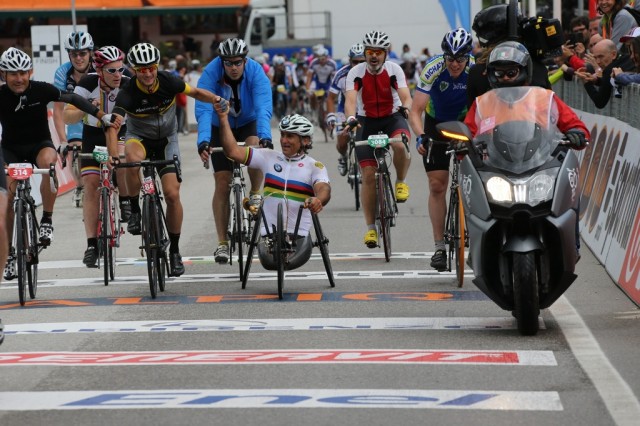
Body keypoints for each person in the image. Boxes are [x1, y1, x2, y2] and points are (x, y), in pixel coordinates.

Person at [0, 47, 118, 280]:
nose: (19, 78)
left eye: (23, 72)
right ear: (3, 75)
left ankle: (46, 219)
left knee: (49, 164)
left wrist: (100, 114)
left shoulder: (41, 89)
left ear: (30, 72)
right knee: (9, 199)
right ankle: (11, 253)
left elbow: (73, 98)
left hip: (39, 145)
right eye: (13, 74)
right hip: (10, 149)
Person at [464, 41, 590, 260]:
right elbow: (467, 131)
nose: (504, 78)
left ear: (524, 71)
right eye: (499, 72)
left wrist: (577, 132)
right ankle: (478, 248)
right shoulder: (482, 103)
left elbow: (575, 124)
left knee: (570, 192)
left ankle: (572, 245)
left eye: (511, 72)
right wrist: (460, 142)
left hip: (540, 166)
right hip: (496, 169)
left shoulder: (545, 97)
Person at [106, 42, 220, 277]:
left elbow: (197, 93)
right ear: (134, 70)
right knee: (131, 158)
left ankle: (175, 251)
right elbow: (113, 126)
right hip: (140, 139)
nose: (147, 74)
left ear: (157, 67)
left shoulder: (170, 81)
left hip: (168, 140)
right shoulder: (128, 93)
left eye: (151, 68)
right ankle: (135, 210)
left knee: (172, 194)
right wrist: (111, 155)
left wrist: (218, 100)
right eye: (141, 69)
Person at [210, 99, 330, 269]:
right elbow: (233, 151)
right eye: (282, 135)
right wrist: (223, 118)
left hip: (299, 235)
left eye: (290, 136)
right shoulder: (268, 156)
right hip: (269, 236)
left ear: (304, 141)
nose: (284, 140)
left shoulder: (314, 166)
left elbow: (323, 188)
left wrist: (318, 200)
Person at [195, 37, 273, 265]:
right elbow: (202, 108)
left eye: (238, 62)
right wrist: (204, 141)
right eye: (228, 63)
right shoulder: (211, 73)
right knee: (222, 181)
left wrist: (265, 137)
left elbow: (263, 107)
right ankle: (222, 243)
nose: (233, 67)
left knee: (255, 148)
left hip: (248, 121)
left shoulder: (256, 72)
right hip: (221, 125)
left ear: (245, 60)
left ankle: (256, 192)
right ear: (222, 62)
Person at [408, 28, 474, 271]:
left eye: (460, 59)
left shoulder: (475, 69)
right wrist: (421, 136)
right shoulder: (433, 68)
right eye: (450, 58)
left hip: (466, 122)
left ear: (468, 57)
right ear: (444, 55)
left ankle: (476, 241)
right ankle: (439, 247)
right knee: (437, 185)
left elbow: (486, 104)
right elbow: (415, 111)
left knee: (477, 182)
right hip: (436, 124)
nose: (455, 64)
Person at [342, 30, 412, 248]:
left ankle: (400, 182)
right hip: (366, 121)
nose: (374, 56)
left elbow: (405, 95)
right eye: (370, 52)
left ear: (386, 53)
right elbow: (350, 101)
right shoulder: (355, 72)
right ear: (364, 53)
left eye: (378, 52)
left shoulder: (394, 70)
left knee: (400, 144)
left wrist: (406, 107)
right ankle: (371, 229)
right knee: (369, 176)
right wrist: (351, 118)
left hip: (392, 117)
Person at [63, 46, 130, 268]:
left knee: (122, 162)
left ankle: (126, 202)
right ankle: (91, 244)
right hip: (92, 134)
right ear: (99, 71)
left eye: (120, 69)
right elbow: (67, 116)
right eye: (112, 71)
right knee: (91, 184)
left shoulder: (128, 82)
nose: (118, 75)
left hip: (121, 132)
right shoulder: (87, 83)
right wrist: (85, 109)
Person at [467, 3, 551, 107]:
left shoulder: (477, 72)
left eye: (511, 73)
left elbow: (473, 113)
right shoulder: (538, 67)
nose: (506, 77)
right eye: (500, 73)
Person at [53, 31, 95, 208]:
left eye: (83, 53)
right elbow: (58, 110)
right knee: (74, 149)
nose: (78, 58)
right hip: (75, 115)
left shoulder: (99, 68)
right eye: (74, 54)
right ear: (69, 55)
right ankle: (79, 186)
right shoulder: (63, 73)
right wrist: (63, 140)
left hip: (96, 114)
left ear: (91, 53)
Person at [325, 43, 365, 176]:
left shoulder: (371, 72)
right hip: (345, 110)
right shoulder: (341, 74)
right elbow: (331, 98)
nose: (358, 65)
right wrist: (331, 115)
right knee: (342, 142)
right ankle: (343, 157)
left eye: (362, 61)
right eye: (355, 62)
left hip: (365, 109)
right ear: (350, 61)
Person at [574, 38, 635, 108]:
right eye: (595, 58)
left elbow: (600, 102)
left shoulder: (609, 69)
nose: (598, 62)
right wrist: (596, 81)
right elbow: (608, 82)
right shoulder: (627, 58)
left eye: (601, 56)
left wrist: (586, 82)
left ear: (613, 54)